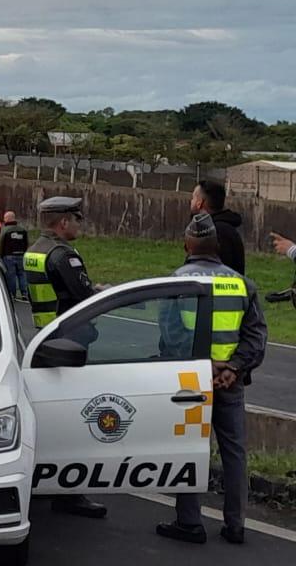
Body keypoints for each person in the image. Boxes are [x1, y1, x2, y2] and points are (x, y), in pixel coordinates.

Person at [156, 213, 267, 546]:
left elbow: (171, 337)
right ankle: (235, 526)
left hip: (193, 382)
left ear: (187, 244)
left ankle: (189, 522)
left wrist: (206, 369)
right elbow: (256, 336)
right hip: (230, 382)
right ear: (217, 246)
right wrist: (233, 368)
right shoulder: (241, 284)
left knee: (190, 448)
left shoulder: (177, 281)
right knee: (234, 453)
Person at [24, 195, 106, 520]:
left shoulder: (35, 250)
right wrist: (105, 291)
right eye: (77, 218)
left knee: (48, 419)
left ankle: (39, 481)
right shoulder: (62, 256)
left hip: (45, 338)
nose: (79, 224)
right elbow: (84, 297)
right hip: (69, 344)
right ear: (63, 223)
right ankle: (70, 493)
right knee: (77, 421)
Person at [190, 179, 246, 275]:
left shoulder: (215, 232)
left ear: (199, 202)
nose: (191, 201)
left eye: (193, 198)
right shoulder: (226, 229)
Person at [0, 210, 31, 300]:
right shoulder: (22, 230)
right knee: (22, 274)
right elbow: (27, 243)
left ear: (8, 219)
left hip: (8, 256)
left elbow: (1, 244)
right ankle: (24, 293)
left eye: (5, 218)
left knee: (11, 275)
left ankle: (12, 294)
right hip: (21, 255)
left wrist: (0, 255)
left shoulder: (5, 230)